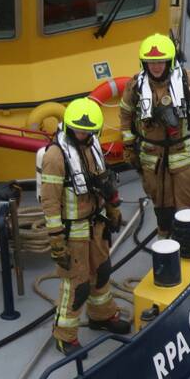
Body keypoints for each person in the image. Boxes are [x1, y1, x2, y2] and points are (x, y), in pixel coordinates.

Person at [40, 98, 130, 355]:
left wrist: (113, 210)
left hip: (97, 223)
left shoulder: (92, 147)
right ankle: (65, 336)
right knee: (77, 284)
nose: (83, 135)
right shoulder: (55, 157)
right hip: (73, 231)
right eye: (79, 130)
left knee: (101, 272)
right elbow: (50, 201)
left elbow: (102, 183)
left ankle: (102, 316)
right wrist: (57, 239)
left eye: (88, 131)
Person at [119, 33, 190, 237]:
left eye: (161, 62)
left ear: (170, 61)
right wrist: (129, 148)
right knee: (162, 206)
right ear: (144, 63)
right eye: (151, 62)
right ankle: (166, 240)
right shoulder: (135, 87)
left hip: (185, 156)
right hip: (152, 160)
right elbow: (125, 116)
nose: (156, 67)